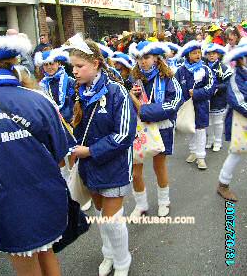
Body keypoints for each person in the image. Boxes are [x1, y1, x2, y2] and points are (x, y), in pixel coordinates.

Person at [0, 34, 69, 276]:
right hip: (46, 197)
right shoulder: (39, 100)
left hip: (5, 207)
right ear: (14, 67)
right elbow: (61, 156)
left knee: (25, 267)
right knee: (47, 254)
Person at [65, 37, 136, 276]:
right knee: (99, 213)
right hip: (89, 166)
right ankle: (109, 253)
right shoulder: (78, 92)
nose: (74, 71)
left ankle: (123, 262)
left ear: (96, 63)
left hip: (114, 166)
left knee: (112, 219)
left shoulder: (117, 92)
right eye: (72, 66)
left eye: (79, 66)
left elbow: (125, 133)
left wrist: (91, 151)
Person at [128, 40, 182, 218]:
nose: (142, 61)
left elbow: (173, 104)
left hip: (161, 127)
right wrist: (131, 98)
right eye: (139, 58)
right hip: (138, 129)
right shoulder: (133, 79)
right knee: (135, 172)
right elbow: (125, 104)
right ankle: (141, 204)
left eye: (147, 57)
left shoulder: (168, 78)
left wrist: (142, 107)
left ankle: (164, 201)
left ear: (156, 58)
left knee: (159, 167)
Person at [175, 40, 215, 170]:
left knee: (200, 130)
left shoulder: (205, 69)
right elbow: (175, 87)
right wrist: (182, 101)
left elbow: (211, 87)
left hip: (201, 105)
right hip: (187, 106)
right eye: (194, 53)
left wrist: (197, 93)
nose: (198, 55)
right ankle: (193, 151)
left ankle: (201, 157)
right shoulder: (181, 71)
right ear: (188, 55)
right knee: (190, 129)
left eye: (199, 52)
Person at [217, 43, 247, 201]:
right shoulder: (236, 76)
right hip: (240, 121)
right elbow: (237, 100)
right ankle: (223, 185)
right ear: (241, 59)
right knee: (236, 153)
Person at [204, 44, 232, 152]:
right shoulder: (202, 67)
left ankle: (218, 141)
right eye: (209, 54)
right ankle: (210, 140)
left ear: (218, 55)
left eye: (214, 54)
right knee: (208, 121)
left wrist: (217, 88)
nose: (211, 56)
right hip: (206, 98)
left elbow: (227, 83)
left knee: (218, 121)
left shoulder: (223, 67)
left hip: (219, 98)